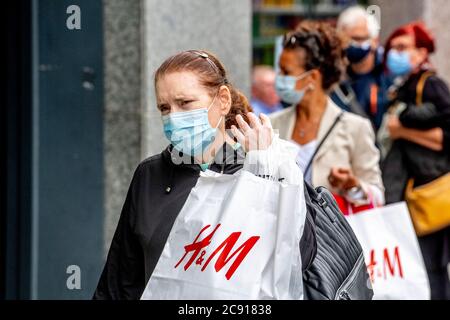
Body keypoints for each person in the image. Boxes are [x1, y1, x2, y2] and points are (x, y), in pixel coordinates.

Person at [92, 50, 317, 299]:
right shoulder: (150, 175)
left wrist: (265, 172)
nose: (174, 117)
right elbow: (120, 281)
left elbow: (297, 261)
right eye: (164, 108)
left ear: (222, 100)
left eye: (185, 103)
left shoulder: (261, 170)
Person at [270, 20, 385, 214]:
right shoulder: (272, 124)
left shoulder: (355, 127)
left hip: (332, 241)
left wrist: (353, 186)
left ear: (313, 77)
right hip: (283, 238)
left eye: (286, 71)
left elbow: (378, 196)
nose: (278, 77)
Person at [381, 21, 450, 300]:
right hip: (412, 192)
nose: (395, 53)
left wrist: (403, 130)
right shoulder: (401, 86)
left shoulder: (431, 84)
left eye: (403, 48)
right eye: (392, 48)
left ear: (422, 52)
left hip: (430, 190)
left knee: (432, 266)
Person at [331, 5, 392, 132]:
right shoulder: (333, 77)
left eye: (358, 38)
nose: (351, 44)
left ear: (374, 41)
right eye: (345, 39)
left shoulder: (388, 75)